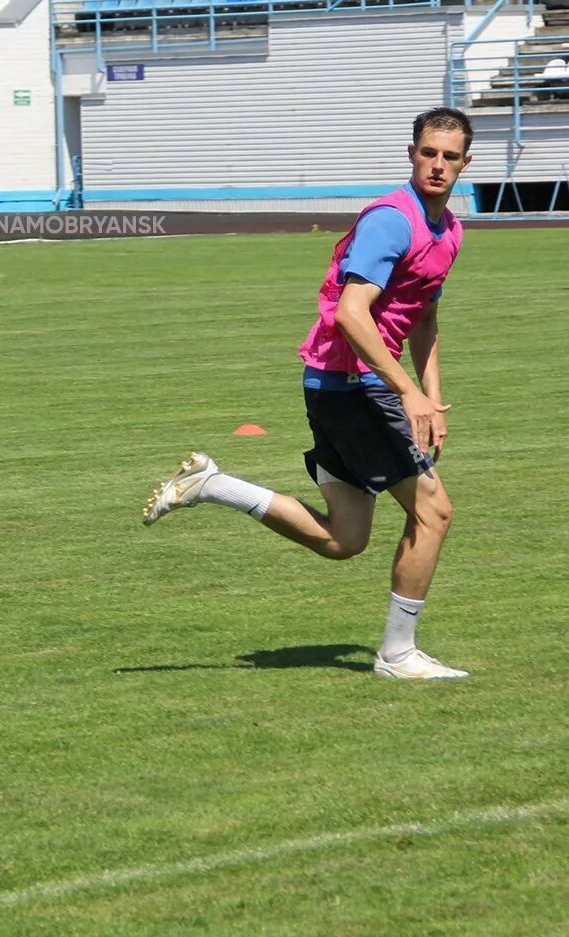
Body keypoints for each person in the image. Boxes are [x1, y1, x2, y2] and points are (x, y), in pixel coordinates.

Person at [142, 107, 473, 681]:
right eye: (428, 153)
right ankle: (398, 655)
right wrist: (407, 393)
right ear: (411, 153)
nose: (437, 165)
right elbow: (351, 313)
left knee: (344, 539)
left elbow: (423, 317)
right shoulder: (393, 220)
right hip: (354, 385)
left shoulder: (450, 230)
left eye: (449, 156)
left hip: (341, 385)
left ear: (467, 162)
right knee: (434, 511)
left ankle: (214, 484)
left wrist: (431, 398)